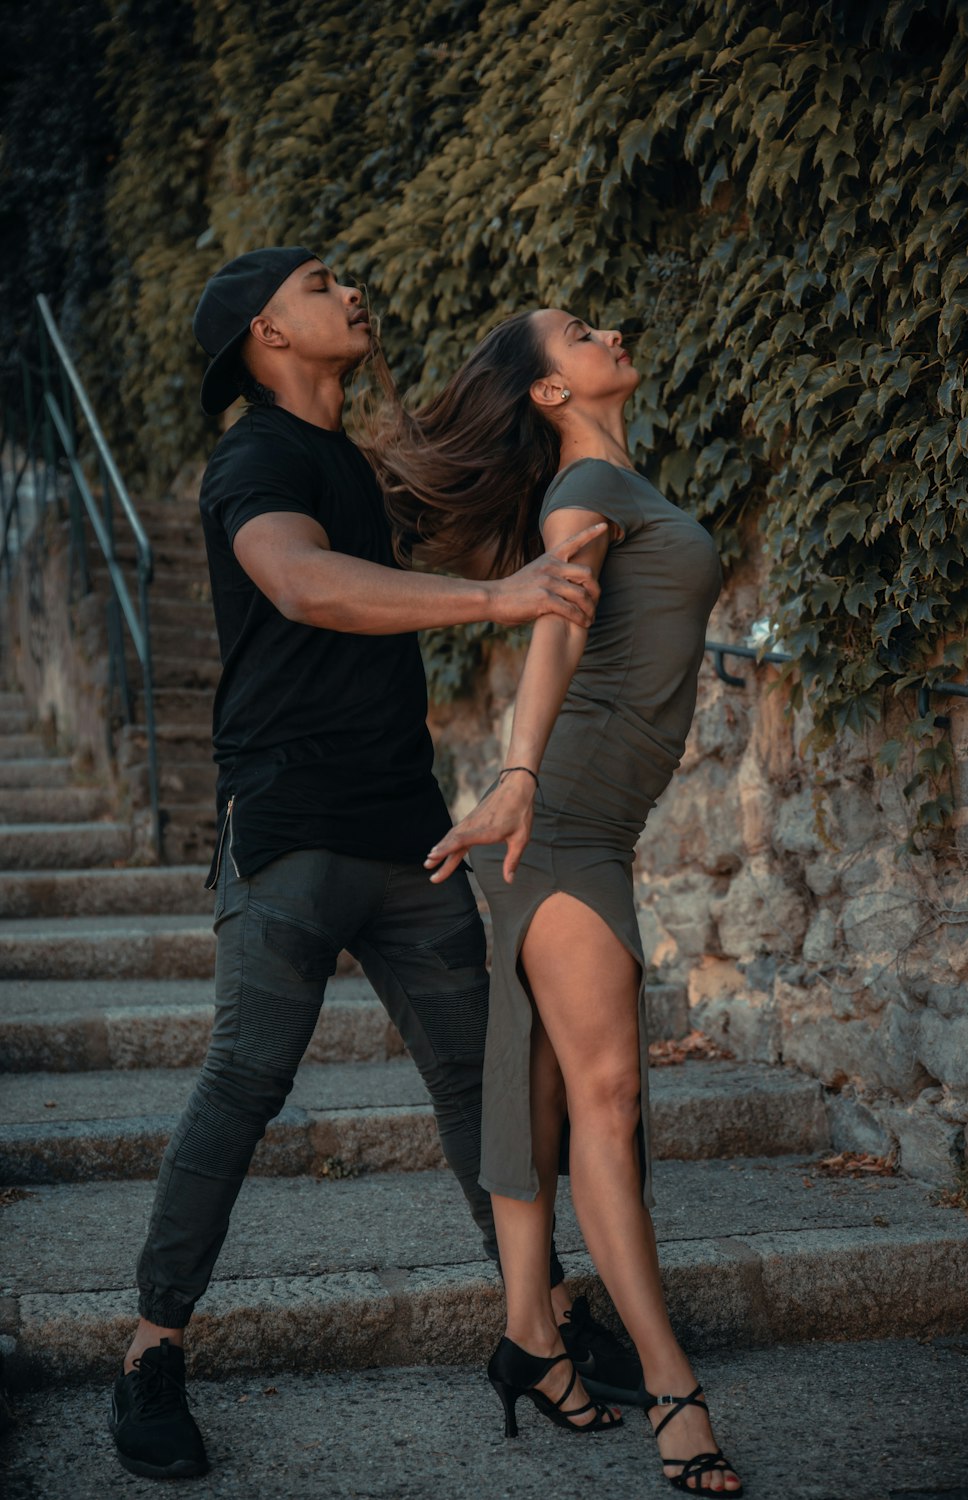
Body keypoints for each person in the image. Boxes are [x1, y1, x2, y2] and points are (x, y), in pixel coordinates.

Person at [106, 247, 643, 1482]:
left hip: (408, 830)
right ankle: (149, 1355)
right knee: (242, 1084)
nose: (350, 293)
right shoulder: (256, 457)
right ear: (262, 333)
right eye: (318, 284)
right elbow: (301, 584)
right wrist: (495, 602)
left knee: (487, 1084)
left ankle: (543, 1322)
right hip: (289, 829)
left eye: (346, 279)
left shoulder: (357, 462)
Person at [368, 309, 743, 1494]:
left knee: (542, 1091)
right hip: (563, 823)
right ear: (545, 391)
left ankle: (532, 1341)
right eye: (581, 331)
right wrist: (519, 777)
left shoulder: (613, 475)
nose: (615, 328)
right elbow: (552, 632)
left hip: (589, 825)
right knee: (608, 1095)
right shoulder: (582, 486)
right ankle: (671, 1383)